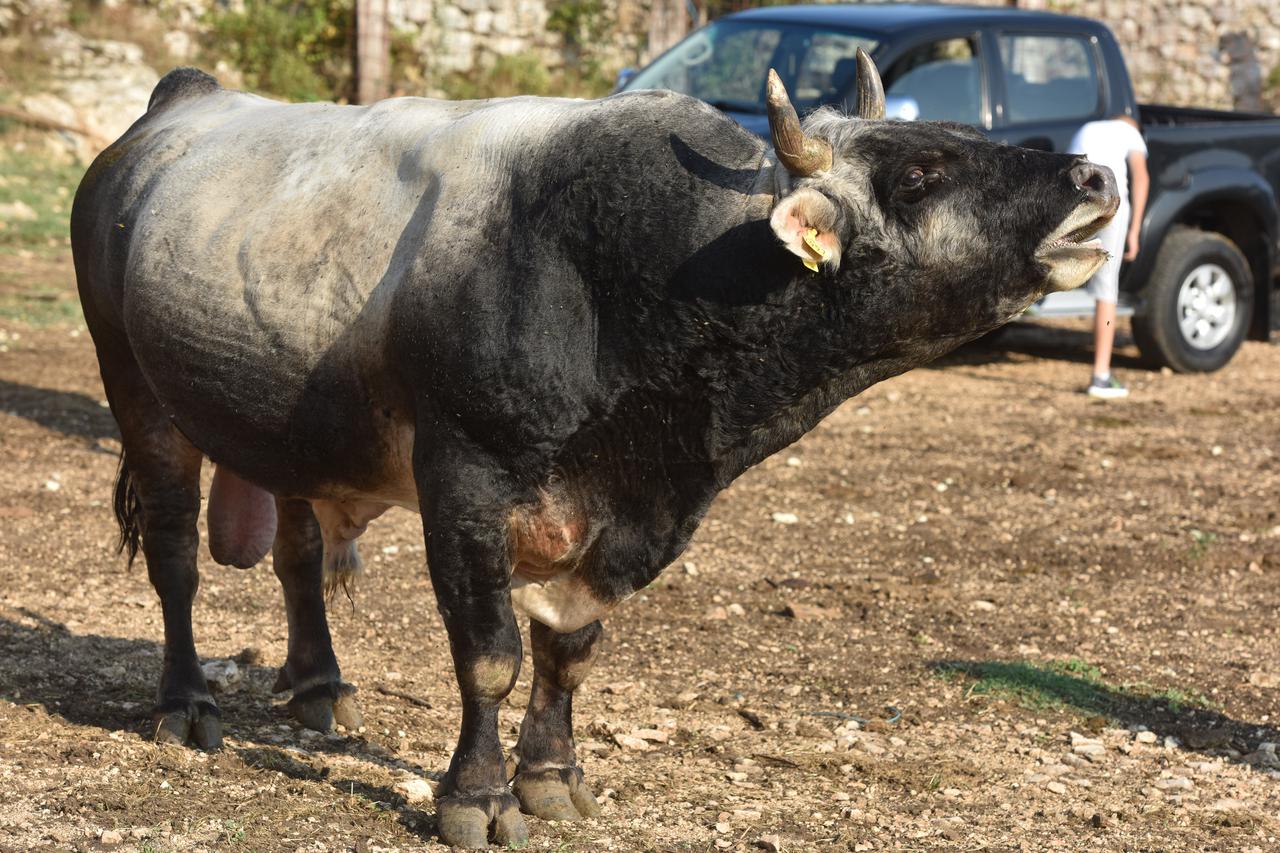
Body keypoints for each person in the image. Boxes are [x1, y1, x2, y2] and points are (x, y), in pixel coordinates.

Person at [1068, 115, 1149, 399]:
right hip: (1109, 202)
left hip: (1075, 201)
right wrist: (1135, 231)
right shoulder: (1130, 132)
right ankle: (1100, 376)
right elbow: (1141, 178)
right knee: (1107, 289)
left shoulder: (1086, 127)